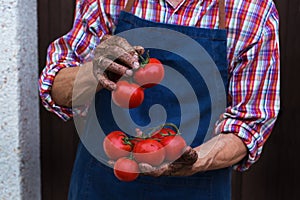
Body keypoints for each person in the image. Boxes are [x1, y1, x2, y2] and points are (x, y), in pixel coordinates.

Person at [39, 0, 280, 199]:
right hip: (101, 187)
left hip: (197, 190)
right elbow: (55, 89)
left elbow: (249, 124)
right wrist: (94, 72)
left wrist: (196, 160)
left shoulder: (252, 11)